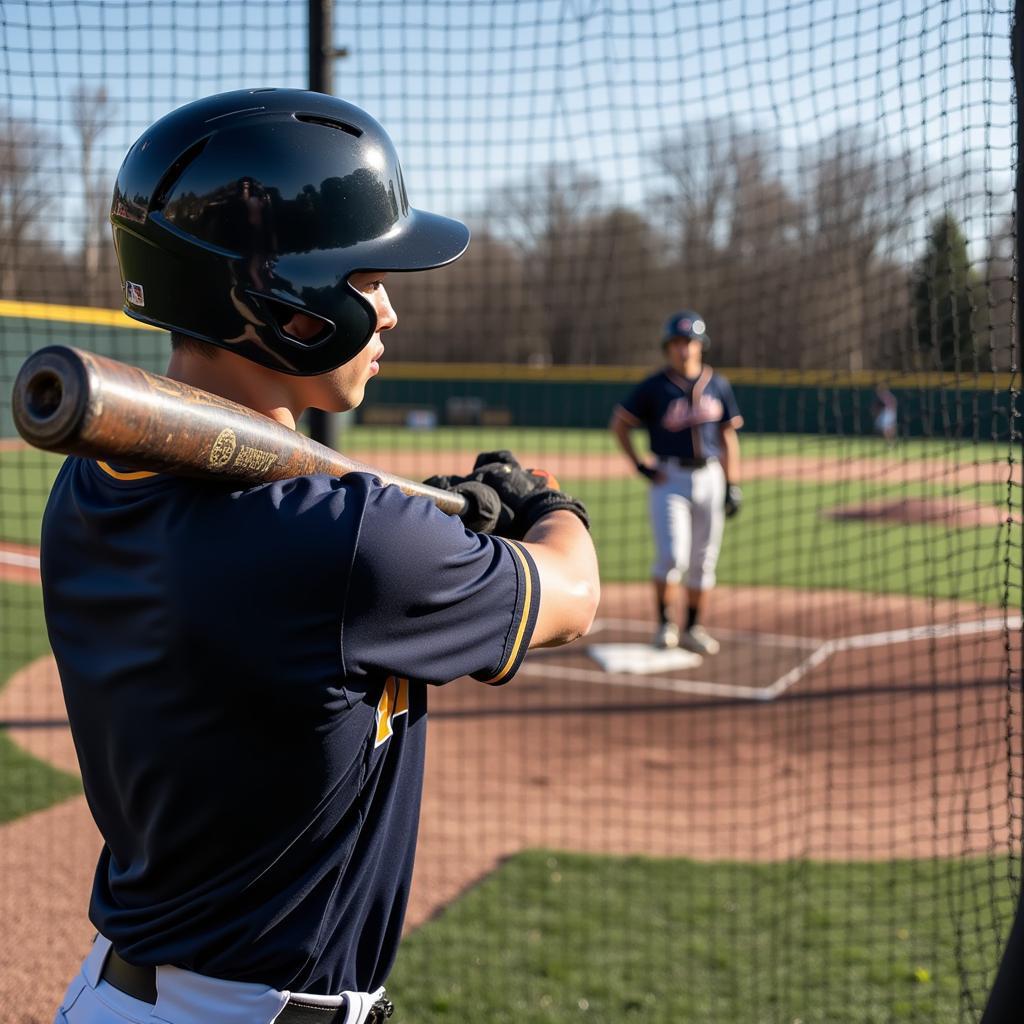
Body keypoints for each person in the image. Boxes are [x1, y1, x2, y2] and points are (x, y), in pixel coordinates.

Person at [43, 89, 599, 1024]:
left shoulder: (92, 487)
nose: (388, 314)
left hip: (117, 994)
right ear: (282, 298)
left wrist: (407, 520)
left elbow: (287, 534)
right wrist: (545, 501)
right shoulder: (354, 541)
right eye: (369, 279)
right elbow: (577, 594)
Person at [609, 311, 742, 655]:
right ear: (668, 348)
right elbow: (620, 424)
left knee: (703, 561)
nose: (684, 350)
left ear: (701, 346)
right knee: (671, 557)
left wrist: (733, 483)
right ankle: (665, 624)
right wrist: (640, 465)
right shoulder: (655, 386)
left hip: (711, 476)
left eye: (690, 342)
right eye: (677, 343)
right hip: (669, 478)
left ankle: (693, 627)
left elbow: (728, 439)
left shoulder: (719, 384)